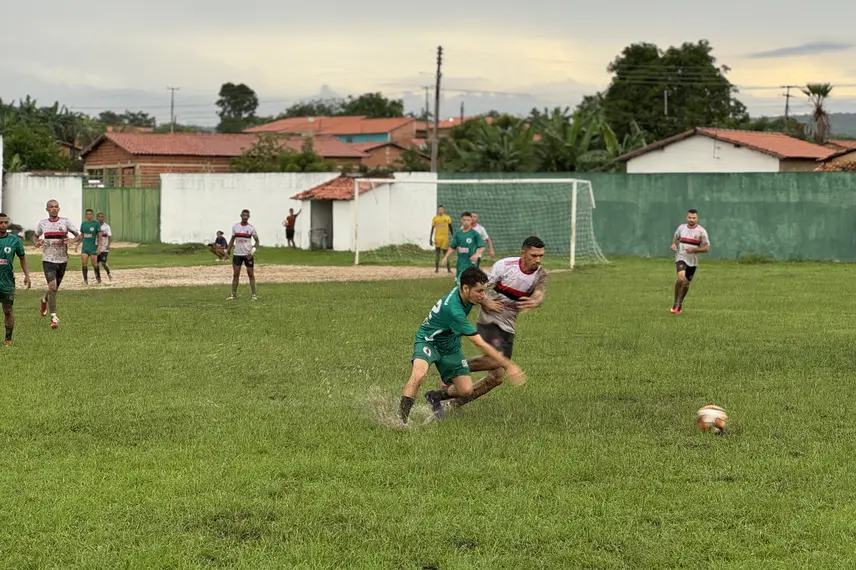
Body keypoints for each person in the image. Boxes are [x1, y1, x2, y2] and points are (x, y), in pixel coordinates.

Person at [398, 266, 526, 425]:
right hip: (428, 341)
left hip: (450, 345)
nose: (482, 295)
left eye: (484, 291)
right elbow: (479, 343)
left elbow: (479, 296)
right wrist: (510, 365)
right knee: (419, 375)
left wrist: (486, 302)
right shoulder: (453, 309)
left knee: (465, 390)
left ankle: (435, 396)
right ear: (465, 288)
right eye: (479, 291)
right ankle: (401, 421)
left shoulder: (466, 294)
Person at [451, 236, 547, 410]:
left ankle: (452, 402)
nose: (538, 260)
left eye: (541, 255)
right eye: (534, 255)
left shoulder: (540, 274)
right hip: (490, 317)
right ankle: (454, 370)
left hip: (508, 324)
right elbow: (480, 286)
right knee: (499, 361)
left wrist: (536, 301)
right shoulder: (505, 266)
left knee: (497, 377)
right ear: (523, 253)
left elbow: (540, 293)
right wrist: (485, 301)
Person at [33, 199, 80, 329]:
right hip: (48, 259)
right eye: (51, 207)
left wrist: (72, 240)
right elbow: (35, 236)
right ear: (47, 209)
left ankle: (44, 299)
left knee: (54, 289)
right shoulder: (42, 223)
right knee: (52, 287)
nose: (54, 209)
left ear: (59, 209)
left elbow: (78, 235)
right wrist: (36, 243)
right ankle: (54, 317)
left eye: (56, 207)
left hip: (62, 259)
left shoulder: (65, 222)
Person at [670, 208, 710, 314]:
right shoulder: (681, 228)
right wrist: (674, 244)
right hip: (681, 257)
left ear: (697, 218)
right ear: (686, 217)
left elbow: (706, 248)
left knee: (686, 284)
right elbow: (676, 238)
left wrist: (694, 249)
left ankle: (680, 303)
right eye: (689, 217)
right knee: (680, 278)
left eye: (693, 218)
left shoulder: (701, 231)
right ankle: (675, 303)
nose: (691, 219)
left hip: (692, 261)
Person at [0, 213, 31, 345]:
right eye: (0, 223)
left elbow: (22, 257)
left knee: (8, 310)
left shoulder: (14, 240)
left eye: (5, 222)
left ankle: (8, 339)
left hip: (7, 282)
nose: (3, 225)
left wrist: (27, 275)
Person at [442, 212, 485, 284]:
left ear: (471, 221)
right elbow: (452, 247)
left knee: (462, 282)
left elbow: (482, 247)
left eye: (468, 220)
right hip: (460, 262)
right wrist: (446, 257)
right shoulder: (458, 234)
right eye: (464, 220)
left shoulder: (474, 234)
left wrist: (476, 254)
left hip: (470, 263)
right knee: (458, 282)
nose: (466, 222)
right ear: (461, 221)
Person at [227, 209, 260, 300]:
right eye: (244, 215)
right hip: (237, 254)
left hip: (247, 255)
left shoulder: (251, 228)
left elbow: (257, 242)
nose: (245, 217)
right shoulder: (235, 227)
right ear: (241, 215)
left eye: (247, 215)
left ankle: (253, 295)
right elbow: (232, 240)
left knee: (250, 274)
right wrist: (227, 251)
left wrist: (252, 251)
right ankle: (233, 295)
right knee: (236, 274)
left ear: (249, 217)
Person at [75, 209, 102, 284]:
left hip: (93, 247)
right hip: (85, 247)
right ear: (85, 215)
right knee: (84, 263)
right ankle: (85, 280)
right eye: (88, 214)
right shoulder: (83, 224)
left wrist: (99, 246)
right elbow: (82, 235)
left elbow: (100, 235)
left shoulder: (96, 224)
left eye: (90, 214)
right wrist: (77, 244)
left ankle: (98, 279)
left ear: (92, 215)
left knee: (94, 263)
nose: (89, 216)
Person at [429, 205, 454, 273]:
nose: (440, 211)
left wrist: (453, 236)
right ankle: (436, 268)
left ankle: (448, 269)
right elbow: (432, 228)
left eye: (441, 209)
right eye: (439, 210)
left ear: (443, 210)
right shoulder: (435, 218)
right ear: (437, 211)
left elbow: (450, 227)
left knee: (446, 253)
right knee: (437, 253)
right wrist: (430, 238)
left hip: (445, 238)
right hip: (437, 238)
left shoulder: (447, 217)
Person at [95, 212, 113, 280]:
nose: (100, 218)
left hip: (104, 247)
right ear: (97, 218)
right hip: (96, 246)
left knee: (103, 263)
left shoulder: (106, 226)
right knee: (96, 263)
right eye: (99, 217)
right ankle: (98, 277)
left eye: (102, 217)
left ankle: (108, 273)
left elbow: (109, 236)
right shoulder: (95, 226)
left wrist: (108, 245)